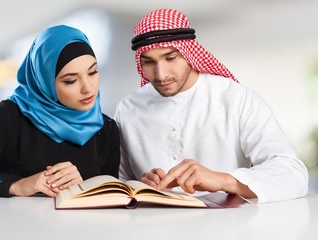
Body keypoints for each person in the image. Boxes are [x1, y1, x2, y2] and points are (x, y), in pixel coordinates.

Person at [114, 8, 308, 203]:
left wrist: (224, 180)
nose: (161, 74)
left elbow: (293, 173)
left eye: (170, 58)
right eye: (149, 62)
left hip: (228, 230)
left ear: (188, 52)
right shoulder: (128, 109)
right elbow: (119, 185)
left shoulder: (236, 98)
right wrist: (140, 186)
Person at [0, 25, 120, 197]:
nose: (88, 88)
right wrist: (18, 185)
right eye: (70, 80)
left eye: (93, 72)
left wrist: (85, 188)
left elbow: (112, 200)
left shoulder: (106, 129)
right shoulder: (11, 116)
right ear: (44, 81)